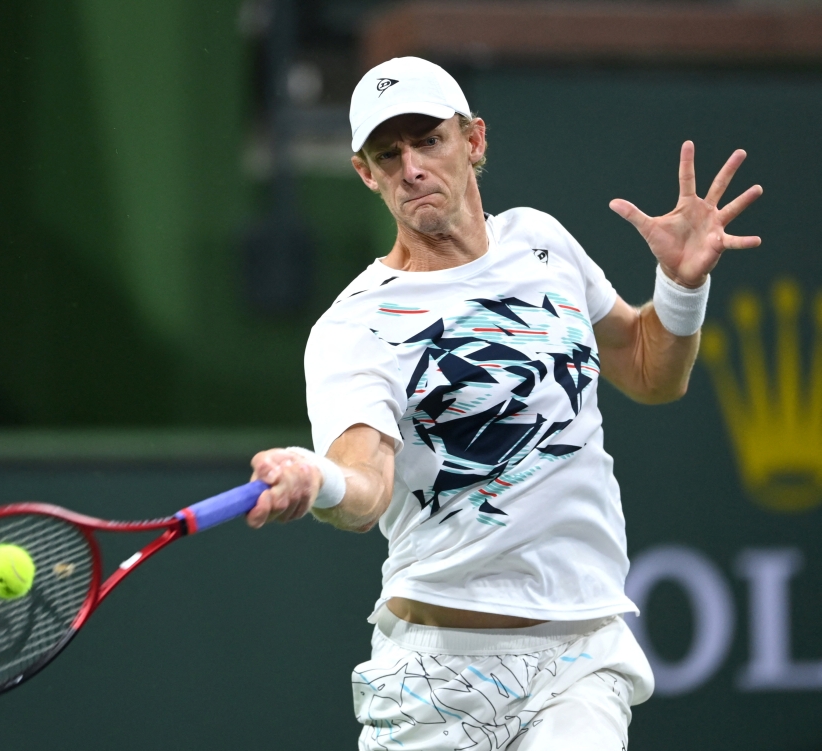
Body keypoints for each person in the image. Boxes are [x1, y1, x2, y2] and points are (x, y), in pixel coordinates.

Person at [245, 56, 762, 750]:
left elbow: (648, 369)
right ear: (366, 173)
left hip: (581, 655)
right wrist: (320, 479)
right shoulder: (355, 328)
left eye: (428, 140)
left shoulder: (541, 242)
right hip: (438, 675)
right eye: (387, 154)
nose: (412, 168)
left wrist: (679, 287)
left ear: (474, 140)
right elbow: (365, 487)